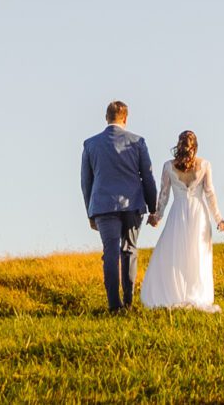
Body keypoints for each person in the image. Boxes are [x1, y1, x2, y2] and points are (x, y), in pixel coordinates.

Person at [79, 100, 159, 311]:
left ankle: (114, 305)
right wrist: (153, 206)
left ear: (106, 118)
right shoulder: (138, 142)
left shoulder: (90, 144)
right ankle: (129, 301)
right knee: (129, 250)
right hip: (132, 204)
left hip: (103, 206)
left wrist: (90, 212)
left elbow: (86, 182)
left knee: (111, 253)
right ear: (125, 118)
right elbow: (148, 177)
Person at [140, 129, 222, 311]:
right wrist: (219, 220)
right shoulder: (205, 165)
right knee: (198, 254)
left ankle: (176, 293)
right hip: (198, 214)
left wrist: (157, 216)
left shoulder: (169, 166)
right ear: (196, 147)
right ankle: (195, 293)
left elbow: (163, 196)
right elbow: (210, 194)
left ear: (178, 145)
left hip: (178, 214)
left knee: (175, 253)